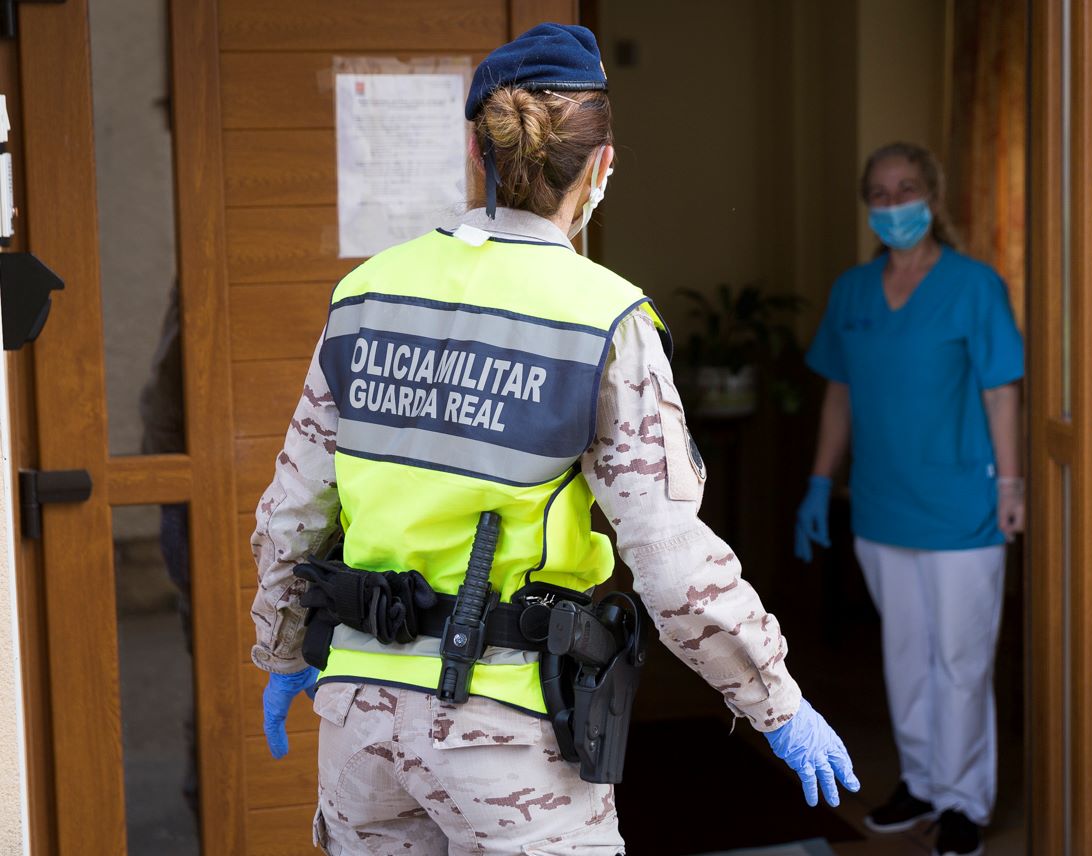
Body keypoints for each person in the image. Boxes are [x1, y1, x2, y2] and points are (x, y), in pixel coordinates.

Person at [250, 24, 858, 855]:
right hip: (506, 735)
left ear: (477, 152)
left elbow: (291, 511)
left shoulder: (367, 295)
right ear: (601, 167)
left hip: (361, 722)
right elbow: (672, 561)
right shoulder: (603, 319)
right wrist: (776, 704)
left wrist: (283, 647)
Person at [794, 141, 1024, 856]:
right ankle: (922, 782)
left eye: (908, 189)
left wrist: (1012, 484)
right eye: (882, 193)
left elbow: (1001, 391)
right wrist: (819, 481)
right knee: (905, 656)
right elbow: (839, 390)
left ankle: (964, 803)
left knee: (960, 660)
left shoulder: (973, 286)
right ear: (869, 205)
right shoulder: (853, 293)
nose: (895, 204)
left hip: (962, 506)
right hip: (883, 506)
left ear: (934, 195)